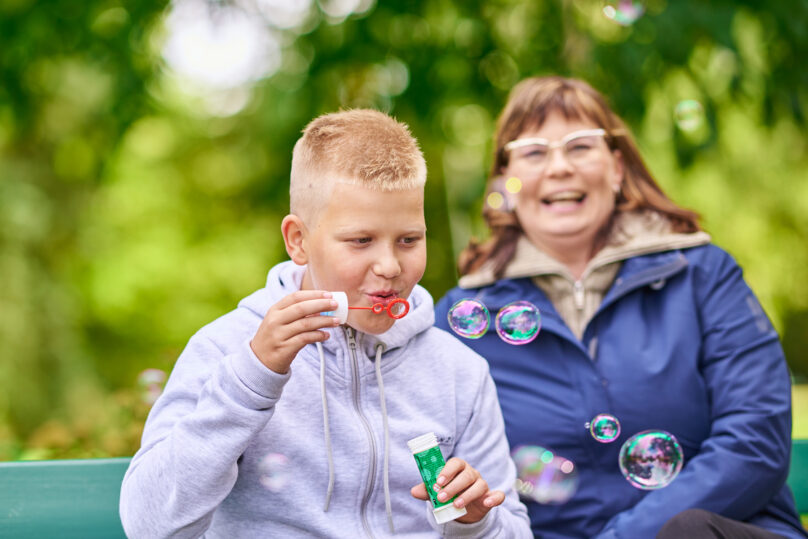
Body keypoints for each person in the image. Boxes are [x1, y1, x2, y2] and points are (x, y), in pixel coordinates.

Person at [119, 109, 531, 538]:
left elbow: (514, 531)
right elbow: (148, 526)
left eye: (409, 239)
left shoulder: (458, 372)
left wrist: (475, 522)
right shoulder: (229, 351)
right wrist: (250, 382)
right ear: (298, 240)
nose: (390, 266)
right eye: (361, 241)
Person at [435, 76, 808, 539]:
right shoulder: (460, 318)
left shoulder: (702, 275)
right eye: (533, 152)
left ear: (616, 167)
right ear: (506, 182)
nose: (558, 168)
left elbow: (755, 442)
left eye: (580, 147)